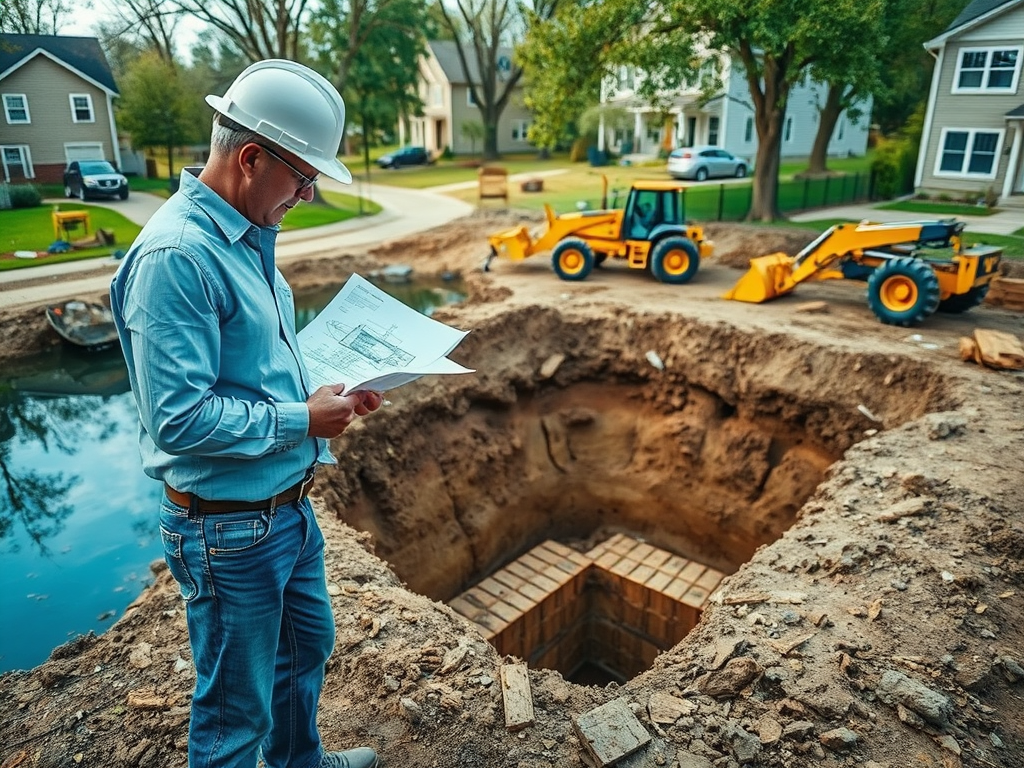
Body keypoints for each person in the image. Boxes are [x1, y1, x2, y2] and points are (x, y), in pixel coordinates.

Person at [110, 60, 382, 768]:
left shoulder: (247, 236)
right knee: (235, 711)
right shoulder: (177, 257)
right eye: (301, 175)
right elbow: (179, 419)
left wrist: (333, 391)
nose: (309, 192)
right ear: (251, 156)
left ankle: (300, 763)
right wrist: (301, 420)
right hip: (227, 529)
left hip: (283, 511)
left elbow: (254, 370)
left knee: (306, 647)